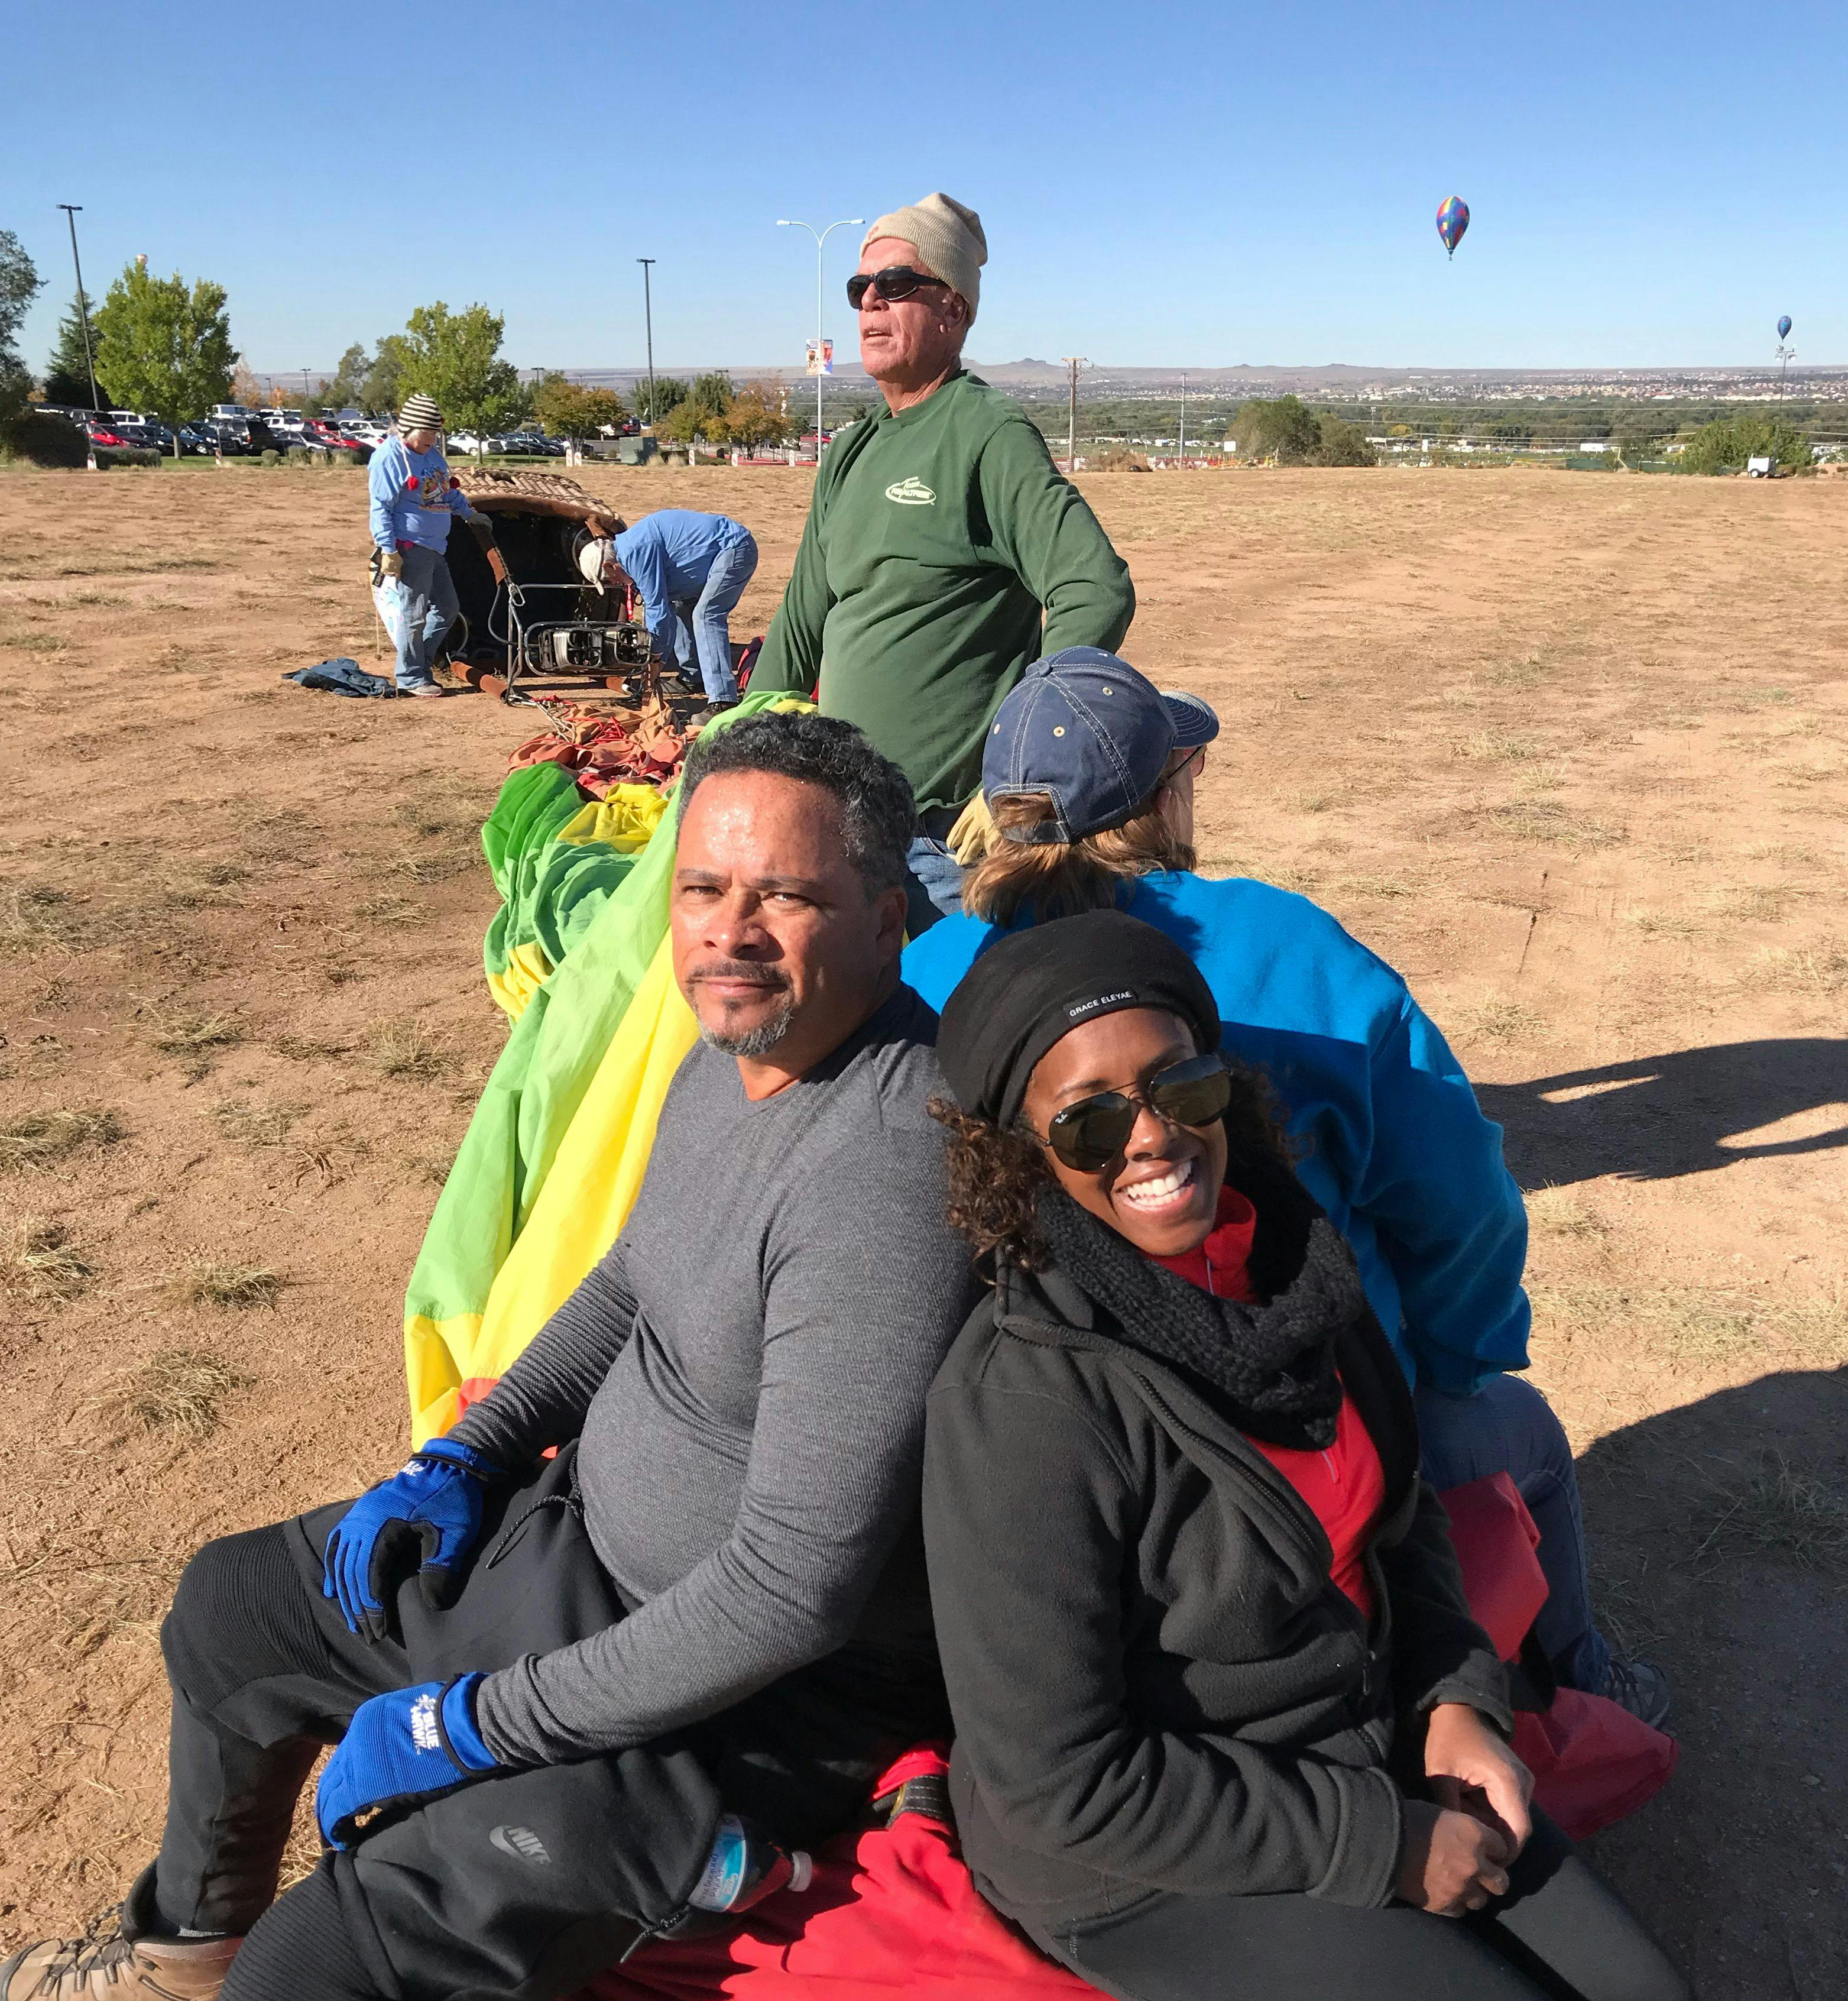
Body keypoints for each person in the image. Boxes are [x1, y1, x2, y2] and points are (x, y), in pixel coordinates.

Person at [0, 714, 976, 2001]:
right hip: (582, 1562)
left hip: (730, 1712)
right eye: (703, 885)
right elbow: (628, 1286)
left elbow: (792, 1590)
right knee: (241, 1607)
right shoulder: (729, 1056)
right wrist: (472, 1447)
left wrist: (467, 1719)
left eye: (783, 895)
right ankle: (188, 1937)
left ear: (889, 914)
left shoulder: (881, 1161)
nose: (728, 928)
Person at [920, 914, 1722, 2001]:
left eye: (1179, 1087)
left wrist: (1460, 1695)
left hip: (1354, 1732)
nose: (1150, 1138)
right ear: (1020, 1155)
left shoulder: (1290, 1261)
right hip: (1152, 1847)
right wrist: (1389, 1849)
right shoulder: (1029, 1398)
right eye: (1088, 1118)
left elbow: (1401, 1514)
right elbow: (1060, 1775)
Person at [903, 650, 1669, 1722]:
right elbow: (1458, 1205)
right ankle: (1579, 1685)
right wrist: (1445, 1361)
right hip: (1293, 1429)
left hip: (1050, 1460)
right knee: (1520, 1430)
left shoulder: (930, 972)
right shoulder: (1285, 948)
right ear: (1164, 795)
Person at [751, 192, 1136, 928]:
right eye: (860, 289)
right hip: (844, 829)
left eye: (896, 285)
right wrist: (734, 755)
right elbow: (801, 624)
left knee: (960, 1036)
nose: (870, 303)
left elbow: (1096, 590)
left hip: (946, 845)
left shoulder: (987, 433)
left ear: (953, 310)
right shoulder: (852, 451)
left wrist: (1021, 770)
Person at [365, 390, 494, 697]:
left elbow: (445, 492)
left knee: (448, 608)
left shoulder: (433, 457)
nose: (430, 444)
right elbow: (380, 506)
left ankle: (418, 663)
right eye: (425, 438)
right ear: (407, 430)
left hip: (437, 546)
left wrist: (468, 513)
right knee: (415, 612)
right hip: (411, 545)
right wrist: (388, 549)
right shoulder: (389, 458)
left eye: (434, 437)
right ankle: (410, 676)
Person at [576, 507, 759, 707]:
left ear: (609, 567)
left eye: (609, 581)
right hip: (714, 555)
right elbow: (666, 614)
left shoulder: (635, 553)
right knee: (682, 606)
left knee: (706, 615)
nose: (617, 585)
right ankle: (693, 677)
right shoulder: (629, 551)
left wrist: (654, 662)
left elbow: (658, 612)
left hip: (734, 548)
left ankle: (723, 700)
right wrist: (658, 660)